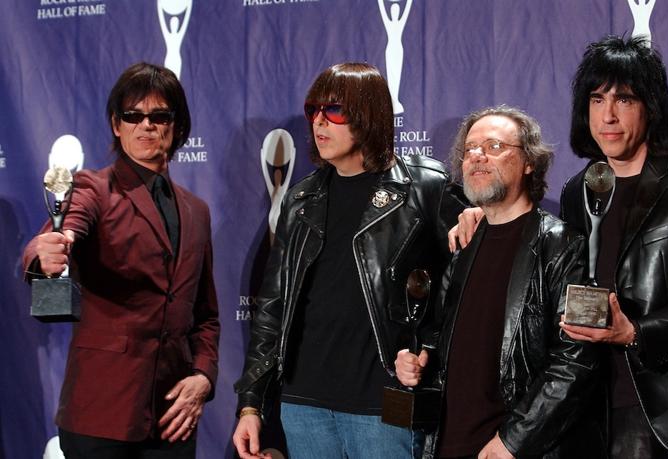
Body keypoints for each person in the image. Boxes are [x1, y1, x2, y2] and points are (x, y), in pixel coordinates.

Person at [232, 62, 464, 459]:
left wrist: (427, 347)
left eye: (335, 111)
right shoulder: (301, 199)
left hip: (383, 403)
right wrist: (251, 404)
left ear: (369, 116)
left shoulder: (425, 187)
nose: (320, 122)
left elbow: (463, 287)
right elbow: (272, 306)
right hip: (304, 405)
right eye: (313, 111)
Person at [23, 62, 219, 459]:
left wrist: (202, 376)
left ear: (176, 126)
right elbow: (63, 227)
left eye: (159, 115)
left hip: (173, 419)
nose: (145, 125)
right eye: (133, 115)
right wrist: (45, 251)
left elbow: (206, 315)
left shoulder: (197, 211)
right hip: (101, 416)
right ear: (117, 125)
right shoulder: (93, 188)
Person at [398, 106, 604, 459]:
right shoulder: (463, 245)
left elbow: (579, 361)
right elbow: (444, 337)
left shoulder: (565, 245)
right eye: (470, 149)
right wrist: (418, 360)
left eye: (494, 146)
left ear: (529, 163)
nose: (477, 157)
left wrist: (514, 440)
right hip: (446, 444)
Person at [558, 36, 668, 458]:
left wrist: (636, 333)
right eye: (597, 100)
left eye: (624, 100)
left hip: (665, 411)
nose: (609, 116)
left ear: (651, 107)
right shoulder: (576, 192)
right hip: (587, 411)